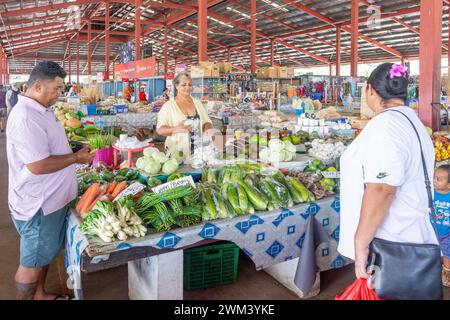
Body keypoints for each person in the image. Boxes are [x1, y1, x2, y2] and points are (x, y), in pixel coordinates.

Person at [337, 63, 438, 281]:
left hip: (392, 242)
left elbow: (382, 189)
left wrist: (360, 243)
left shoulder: (386, 126)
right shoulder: (410, 121)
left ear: (371, 90)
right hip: (406, 234)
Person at [6, 61, 95, 300]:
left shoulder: (40, 109)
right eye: (56, 89)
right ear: (37, 86)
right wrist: (76, 157)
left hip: (51, 202)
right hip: (39, 205)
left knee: (43, 255)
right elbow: (38, 165)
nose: (59, 94)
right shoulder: (25, 116)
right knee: (31, 262)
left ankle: (40, 295)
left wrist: (73, 148)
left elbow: (47, 148)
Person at [156, 73, 213, 157]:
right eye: (184, 85)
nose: (187, 87)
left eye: (190, 85)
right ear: (177, 86)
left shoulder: (197, 103)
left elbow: (207, 121)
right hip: (177, 153)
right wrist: (176, 129)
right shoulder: (169, 106)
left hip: (198, 152)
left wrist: (208, 129)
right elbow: (160, 130)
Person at [433, 165, 450, 287]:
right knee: (430, 252)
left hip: (446, 233)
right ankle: (430, 271)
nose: (434, 181)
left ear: (449, 185)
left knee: (447, 254)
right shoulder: (430, 193)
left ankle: (447, 273)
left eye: (438, 179)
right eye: (434, 177)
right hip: (431, 231)